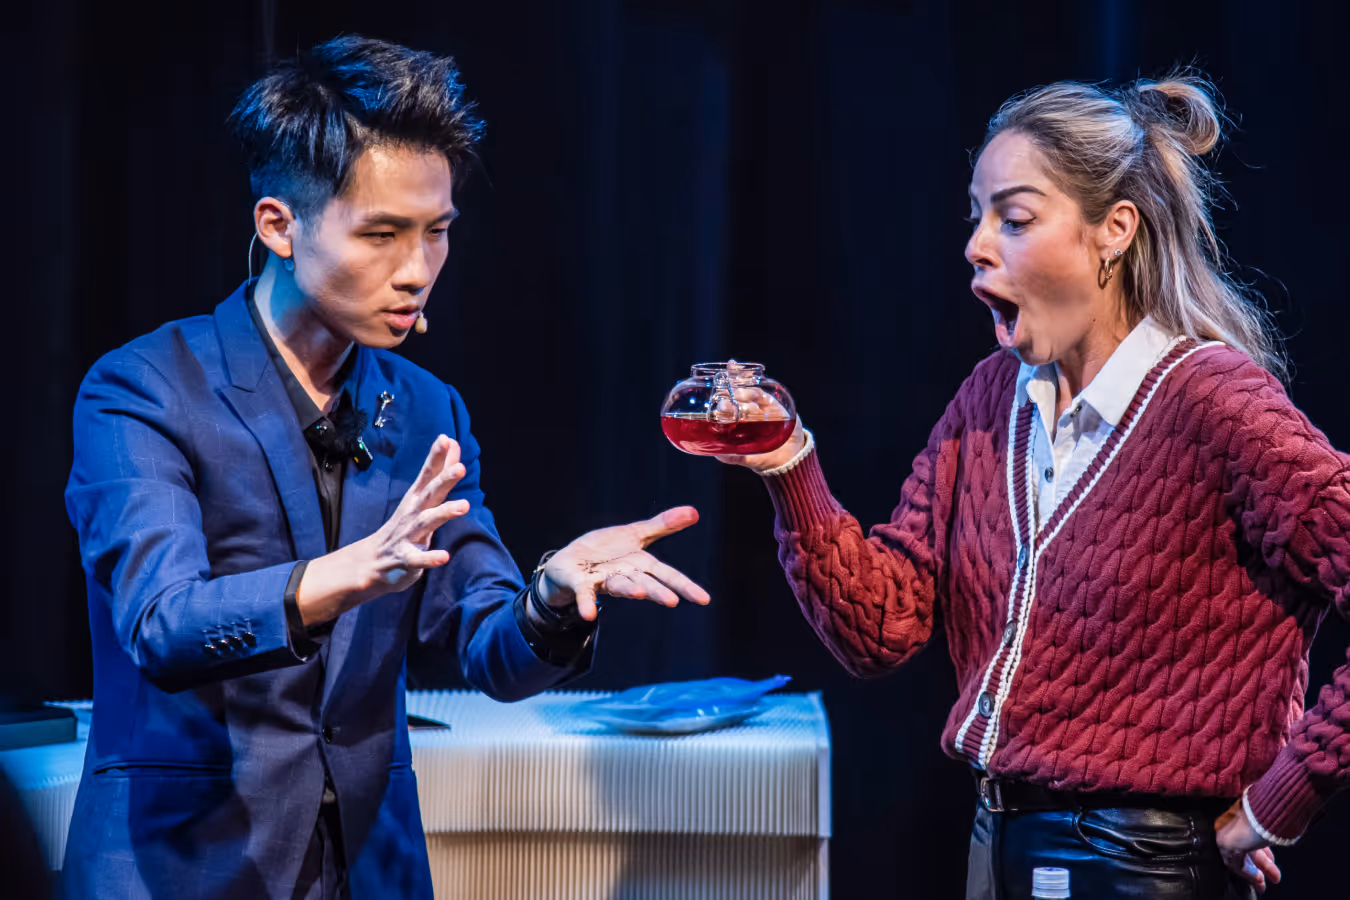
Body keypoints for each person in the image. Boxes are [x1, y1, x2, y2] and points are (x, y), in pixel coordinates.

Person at [62, 36, 709, 900]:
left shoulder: (426, 407)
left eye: (436, 233)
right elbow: (162, 626)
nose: (416, 271)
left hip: (371, 868)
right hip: (184, 865)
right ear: (278, 226)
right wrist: (345, 575)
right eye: (381, 234)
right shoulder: (143, 390)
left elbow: (488, 650)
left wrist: (552, 596)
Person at [718, 71, 1350, 899]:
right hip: (997, 842)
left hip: (1141, 866)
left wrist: (1280, 801)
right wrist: (787, 464)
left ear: (1113, 232)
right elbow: (880, 628)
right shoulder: (991, 399)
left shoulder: (1213, 401)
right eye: (976, 218)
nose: (978, 244)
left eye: (1013, 218)